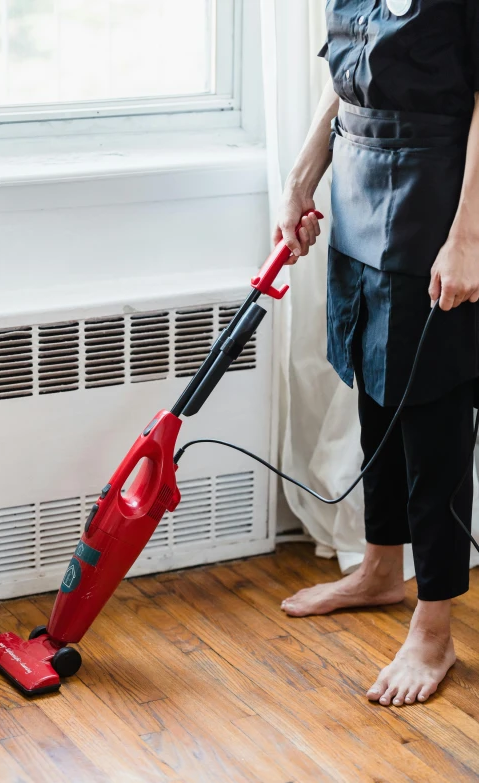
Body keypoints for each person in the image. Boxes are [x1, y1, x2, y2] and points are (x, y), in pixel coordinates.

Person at [275, 0, 479, 706]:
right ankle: (381, 568)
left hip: (438, 195)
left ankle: (435, 625)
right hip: (360, 187)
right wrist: (303, 176)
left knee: (433, 413)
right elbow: (343, 75)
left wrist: (469, 237)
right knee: (374, 387)